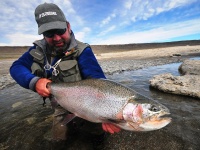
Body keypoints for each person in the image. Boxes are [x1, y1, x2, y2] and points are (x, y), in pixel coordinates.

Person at [9, 2, 120, 147]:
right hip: (60, 104)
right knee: (59, 139)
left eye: (60, 31)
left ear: (68, 26)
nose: (56, 38)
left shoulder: (82, 50)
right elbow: (17, 67)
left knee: (96, 133)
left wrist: (105, 110)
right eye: (49, 34)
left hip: (88, 104)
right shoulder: (37, 50)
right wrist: (34, 82)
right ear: (43, 34)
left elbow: (96, 78)